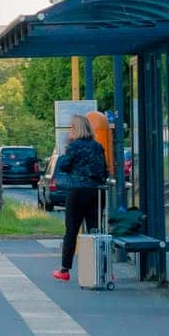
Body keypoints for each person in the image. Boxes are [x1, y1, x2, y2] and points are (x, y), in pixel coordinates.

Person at [52, 115, 109, 281]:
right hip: (96, 192)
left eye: (71, 128)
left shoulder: (74, 146)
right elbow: (103, 171)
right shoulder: (98, 147)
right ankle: (103, 270)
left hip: (77, 192)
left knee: (71, 230)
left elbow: (63, 165)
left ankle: (65, 270)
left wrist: (67, 148)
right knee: (96, 231)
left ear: (75, 129)